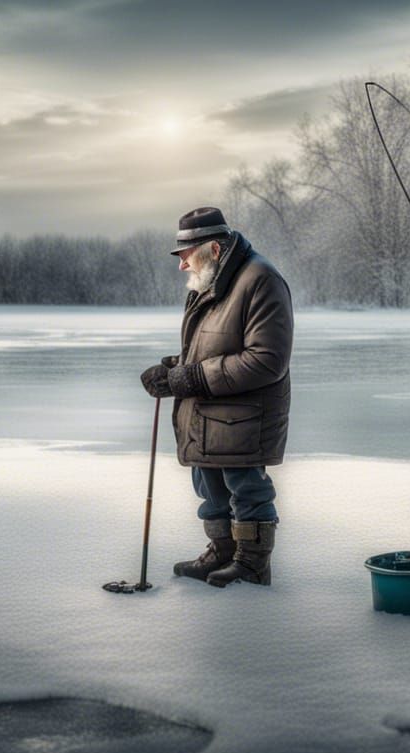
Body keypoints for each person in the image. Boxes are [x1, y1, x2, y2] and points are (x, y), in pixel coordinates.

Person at [139, 206, 294, 588]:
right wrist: (174, 369)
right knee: (209, 487)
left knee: (247, 489)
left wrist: (188, 377)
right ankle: (223, 551)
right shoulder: (211, 281)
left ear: (213, 248)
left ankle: (252, 563)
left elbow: (266, 360)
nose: (181, 266)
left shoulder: (261, 280)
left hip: (244, 417)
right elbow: (214, 347)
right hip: (209, 414)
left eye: (185, 255)